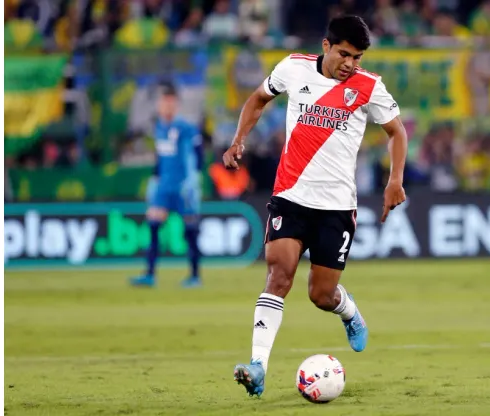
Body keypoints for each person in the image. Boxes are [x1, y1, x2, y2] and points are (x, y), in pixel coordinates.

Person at [222, 15, 408, 397]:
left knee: (321, 295)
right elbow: (258, 99)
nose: (350, 64)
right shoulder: (293, 68)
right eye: (344, 54)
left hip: (337, 207)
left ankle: (349, 311)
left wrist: (395, 180)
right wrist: (239, 139)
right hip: (290, 196)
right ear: (326, 46)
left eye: (356, 57)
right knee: (279, 276)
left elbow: (397, 131)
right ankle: (258, 367)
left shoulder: (369, 86)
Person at [129, 82, 204, 288]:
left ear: (177, 105)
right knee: (153, 225)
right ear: (159, 105)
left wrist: (194, 180)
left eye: (171, 103)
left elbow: (198, 155)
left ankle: (195, 276)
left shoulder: (186, 128)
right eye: (164, 103)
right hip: (164, 187)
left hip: (183, 188)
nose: (167, 107)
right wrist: (155, 179)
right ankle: (150, 274)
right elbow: (160, 157)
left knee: (190, 230)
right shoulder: (159, 127)